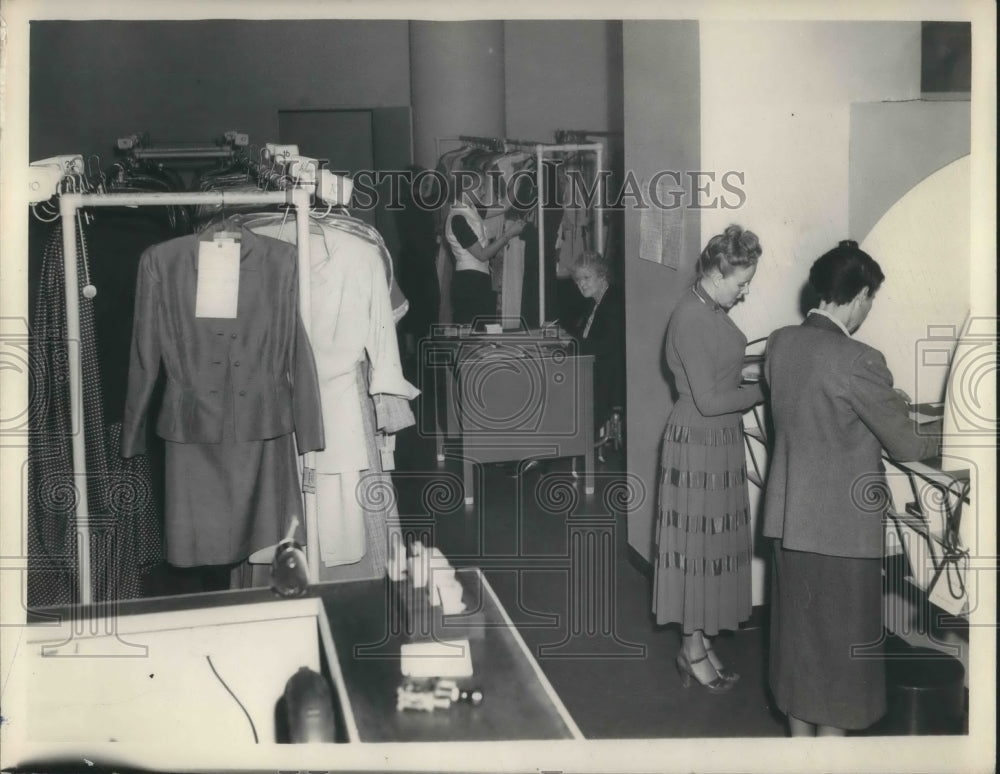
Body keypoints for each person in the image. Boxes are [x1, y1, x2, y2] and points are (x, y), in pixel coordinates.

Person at [763, 241, 941, 736]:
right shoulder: (859, 359)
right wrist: (958, 431)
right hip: (839, 533)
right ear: (860, 296)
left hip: (788, 520)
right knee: (840, 669)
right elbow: (907, 444)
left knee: (800, 654)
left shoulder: (780, 343)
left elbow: (818, 411)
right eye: (871, 300)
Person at [653, 224, 764, 693]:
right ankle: (690, 648)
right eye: (742, 283)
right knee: (696, 550)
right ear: (717, 275)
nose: (746, 291)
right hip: (699, 440)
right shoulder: (692, 317)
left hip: (716, 440)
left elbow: (721, 370)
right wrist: (764, 389)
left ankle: (700, 640)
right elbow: (710, 400)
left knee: (711, 545)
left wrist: (754, 371)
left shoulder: (709, 306)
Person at [445, 182, 525, 326]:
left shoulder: (471, 209)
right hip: (468, 282)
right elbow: (482, 255)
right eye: (480, 187)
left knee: (482, 330)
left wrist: (520, 176)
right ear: (465, 188)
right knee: (472, 331)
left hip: (479, 278)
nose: (483, 192)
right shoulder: (457, 218)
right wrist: (509, 234)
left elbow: (505, 205)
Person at [569, 251, 625, 451]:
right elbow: (585, 338)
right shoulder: (595, 302)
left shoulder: (613, 303)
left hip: (606, 381)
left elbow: (603, 346)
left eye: (586, 278)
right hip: (594, 373)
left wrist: (569, 342)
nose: (581, 284)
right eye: (578, 280)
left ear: (602, 276)